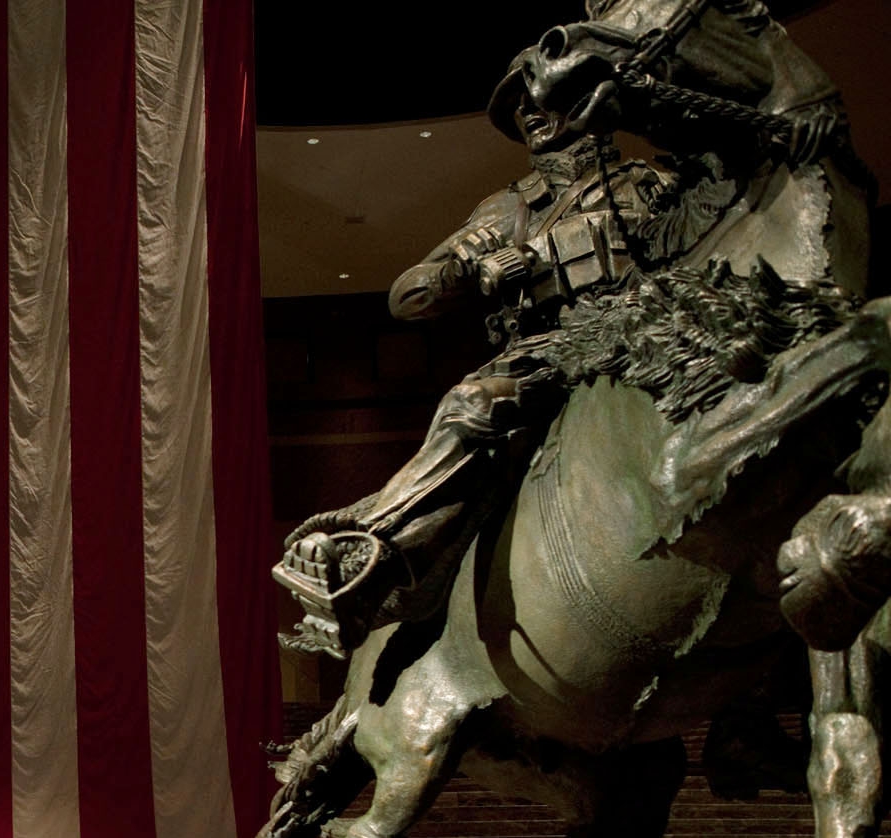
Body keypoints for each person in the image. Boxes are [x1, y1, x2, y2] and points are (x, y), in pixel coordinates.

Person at [273, 118, 668, 659]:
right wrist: (461, 267)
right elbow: (407, 296)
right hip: (552, 350)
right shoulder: (511, 208)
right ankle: (379, 554)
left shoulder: (646, 182)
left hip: (653, 333)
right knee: (474, 404)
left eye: (547, 96)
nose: (534, 113)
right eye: (522, 104)